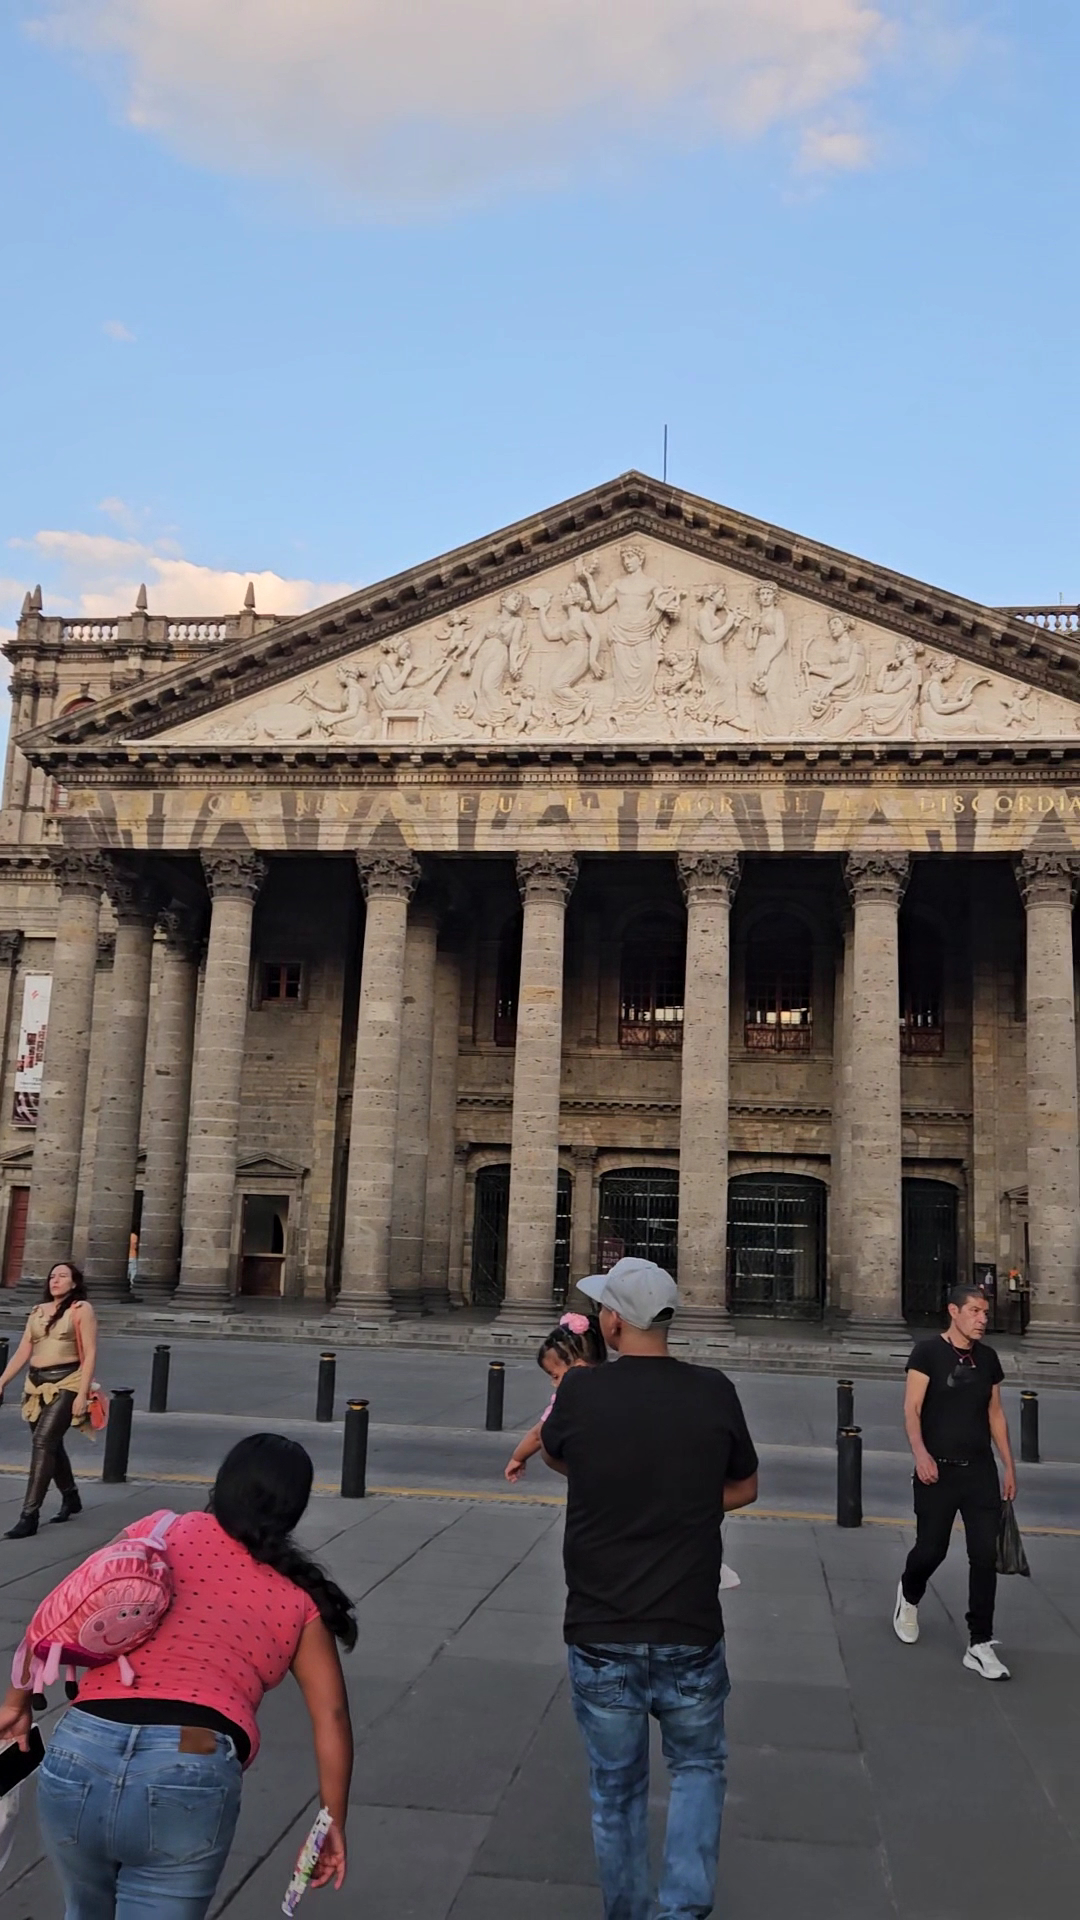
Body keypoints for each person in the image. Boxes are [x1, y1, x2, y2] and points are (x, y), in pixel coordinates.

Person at [0, 1433, 356, 1917]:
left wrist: (16, 1701)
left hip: (83, 1742)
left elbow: (62, 1610)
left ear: (222, 1484)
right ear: (294, 1509)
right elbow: (331, 1716)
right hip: (193, 1751)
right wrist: (331, 1820)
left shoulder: (157, 1530)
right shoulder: (299, 1599)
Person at [541, 1256, 759, 1920]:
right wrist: (683, 1501)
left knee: (616, 1792)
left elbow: (555, 1452)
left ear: (612, 1321)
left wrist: (621, 1483)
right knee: (698, 1771)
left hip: (601, 1627)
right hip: (689, 1625)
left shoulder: (582, 1391)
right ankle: (683, 1910)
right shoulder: (713, 1390)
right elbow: (746, 1486)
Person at [893, 1281, 1017, 1680]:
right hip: (938, 1471)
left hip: (980, 1471)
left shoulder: (988, 1359)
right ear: (954, 1311)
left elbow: (995, 1414)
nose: (982, 1319)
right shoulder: (927, 1353)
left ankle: (980, 1642)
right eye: (975, 1311)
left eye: (985, 1313)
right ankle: (909, 1594)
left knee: (984, 1556)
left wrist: (1009, 1466)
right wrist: (920, 1454)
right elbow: (912, 1409)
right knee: (931, 1550)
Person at [0, 1260, 97, 1538]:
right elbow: (24, 1350)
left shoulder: (81, 1309)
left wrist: (82, 1394)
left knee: (42, 1442)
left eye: (62, 1276)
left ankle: (29, 1515)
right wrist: (2, 1381)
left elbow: (90, 1352)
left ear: (74, 1283)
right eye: (52, 1276)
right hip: (36, 1384)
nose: (55, 1280)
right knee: (51, 1444)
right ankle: (70, 1495)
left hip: (67, 1381)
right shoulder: (38, 1311)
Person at [504, 1310, 606, 1482]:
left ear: (578, 1366)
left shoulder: (567, 1397)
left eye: (555, 1376)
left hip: (591, 1472)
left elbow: (538, 1434)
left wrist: (517, 1457)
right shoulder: (611, 1383)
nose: (554, 1383)